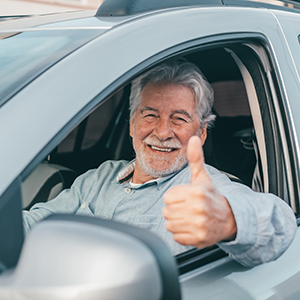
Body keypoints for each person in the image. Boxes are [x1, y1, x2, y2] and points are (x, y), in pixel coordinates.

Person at [23, 60, 296, 267]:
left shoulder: (203, 189)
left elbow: (280, 224)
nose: (163, 132)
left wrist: (229, 219)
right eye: (150, 115)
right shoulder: (100, 176)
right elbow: (32, 225)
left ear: (201, 133)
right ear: (132, 125)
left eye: (179, 118)